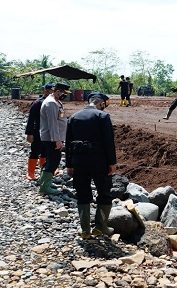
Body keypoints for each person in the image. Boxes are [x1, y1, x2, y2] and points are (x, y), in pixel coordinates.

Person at [65, 92, 117, 238]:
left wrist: (69, 164)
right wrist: (112, 162)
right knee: (104, 193)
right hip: (98, 162)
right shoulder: (102, 117)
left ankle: (85, 230)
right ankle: (101, 227)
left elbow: (68, 143)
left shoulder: (74, 117)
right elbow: (109, 141)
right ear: (101, 104)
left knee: (82, 194)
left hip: (78, 162)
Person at [38, 82, 70, 195]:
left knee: (52, 159)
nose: (65, 96)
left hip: (54, 137)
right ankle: (44, 187)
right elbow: (53, 124)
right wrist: (57, 140)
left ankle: (46, 182)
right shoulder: (51, 103)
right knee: (53, 160)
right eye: (64, 93)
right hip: (51, 138)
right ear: (57, 92)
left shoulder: (56, 102)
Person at [24, 83, 52, 181]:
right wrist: (29, 133)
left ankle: (43, 169)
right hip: (38, 131)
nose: (50, 93)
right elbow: (31, 119)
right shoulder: (37, 103)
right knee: (35, 150)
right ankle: (30, 172)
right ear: (45, 91)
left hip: (49, 131)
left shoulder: (54, 102)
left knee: (46, 151)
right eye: (49, 91)